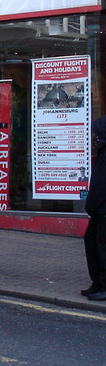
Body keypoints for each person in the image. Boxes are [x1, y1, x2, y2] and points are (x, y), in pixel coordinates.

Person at [83, 115, 106, 301]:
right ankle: (97, 283)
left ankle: (103, 286)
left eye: (96, 134)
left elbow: (101, 186)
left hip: (103, 210)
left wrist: (91, 205)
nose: (94, 138)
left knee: (101, 247)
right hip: (99, 210)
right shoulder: (102, 154)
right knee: (92, 243)